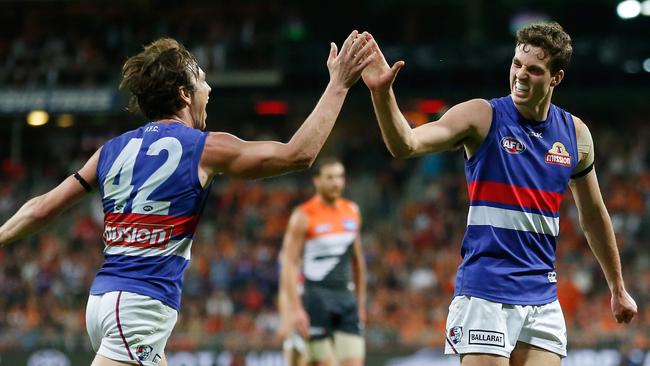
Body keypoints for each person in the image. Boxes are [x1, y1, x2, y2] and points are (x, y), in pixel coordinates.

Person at [0, 31, 376, 366]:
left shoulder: (110, 150)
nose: (208, 88)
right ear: (184, 93)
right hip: (139, 305)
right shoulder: (204, 148)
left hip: (104, 300)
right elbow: (299, 154)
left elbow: (41, 208)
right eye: (200, 79)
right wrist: (339, 85)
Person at [360, 22, 637, 366]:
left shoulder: (575, 134)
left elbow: (594, 213)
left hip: (542, 297)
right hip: (485, 293)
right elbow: (406, 144)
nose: (520, 75)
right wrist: (381, 94)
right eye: (516, 64)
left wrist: (617, 287)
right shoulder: (482, 116)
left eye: (534, 70)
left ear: (556, 78)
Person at [280, 157, 366, 366]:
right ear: (317, 181)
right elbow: (289, 263)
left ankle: (295, 350)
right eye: (330, 177)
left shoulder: (352, 211)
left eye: (340, 177)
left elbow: (358, 262)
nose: (336, 182)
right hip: (316, 299)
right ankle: (294, 349)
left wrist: (361, 303)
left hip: (346, 299)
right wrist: (296, 309)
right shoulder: (303, 215)